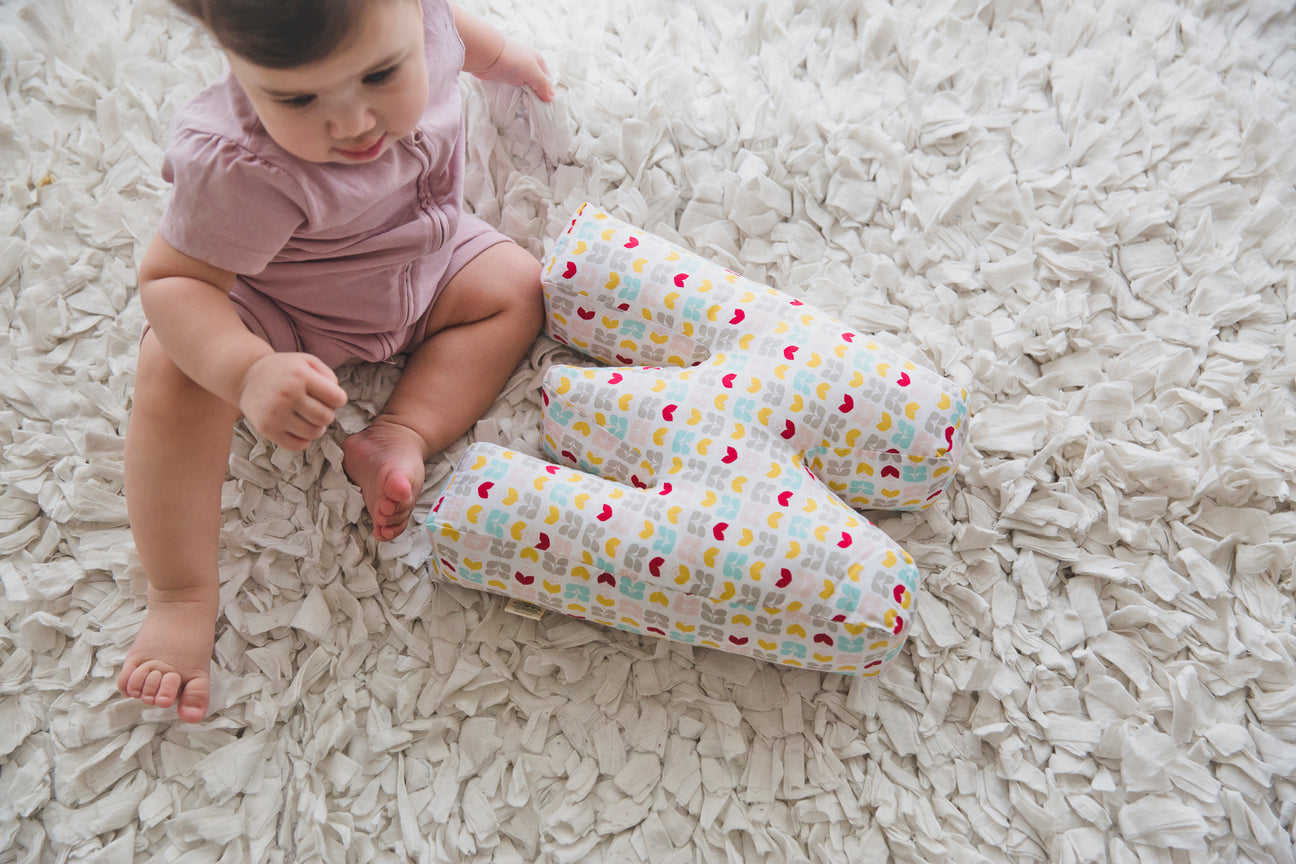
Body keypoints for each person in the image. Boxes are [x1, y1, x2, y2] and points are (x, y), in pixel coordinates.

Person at [118, 0, 554, 723]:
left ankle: (400, 431)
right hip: (280, 308)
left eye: (382, 75)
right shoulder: (237, 163)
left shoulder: (423, 22)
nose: (352, 123)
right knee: (172, 367)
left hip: (421, 263)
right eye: (297, 97)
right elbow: (174, 282)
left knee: (515, 288)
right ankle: (180, 594)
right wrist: (246, 369)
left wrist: (503, 57)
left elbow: (455, 35)